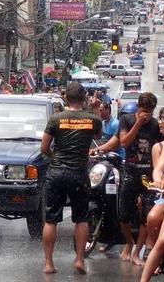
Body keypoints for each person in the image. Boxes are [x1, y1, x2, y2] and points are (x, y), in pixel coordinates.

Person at [40, 83, 102, 275]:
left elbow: (44, 149)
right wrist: (97, 109)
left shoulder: (56, 119)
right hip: (78, 173)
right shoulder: (92, 119)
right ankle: (80, 260)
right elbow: (99, 135)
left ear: (66, 99)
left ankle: (49, 263)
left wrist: (56, 158)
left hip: (57, 172)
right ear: (84, 98)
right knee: (81, 219)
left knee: (51, 220)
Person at [118, 92, 161, 266]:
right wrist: (137, 123)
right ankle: (129, 241)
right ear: (137, 107)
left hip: (148, 176)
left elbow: (160, 148)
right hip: (129, 172)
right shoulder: (126, 120)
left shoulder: (154, 125)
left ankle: (137, 251)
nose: (147, 116)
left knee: (147, 216)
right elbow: (123, 143)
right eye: (144, 111)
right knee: (124, 214)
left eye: (150, 113)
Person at [141, 107, 164, 280]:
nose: (161, 121)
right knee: (163, 240)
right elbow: (158, 170)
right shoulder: (162, 147)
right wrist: (158, 179)